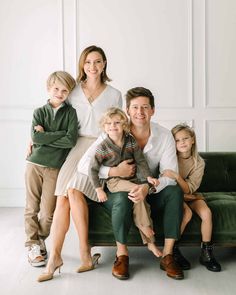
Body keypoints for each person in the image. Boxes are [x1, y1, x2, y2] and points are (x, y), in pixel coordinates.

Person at [76, 87, 185, 280]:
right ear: (127, 110)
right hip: (119, 188)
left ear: (153, 110)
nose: (139, 112)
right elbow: (84, 165)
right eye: (135, 107)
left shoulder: (164, 135)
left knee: (174, 191)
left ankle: (168, 255)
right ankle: (122, 255)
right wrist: (113, 171)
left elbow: (170, 175)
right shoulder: (113, 131)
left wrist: (148, 187)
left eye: (145, 107)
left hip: (149, 187)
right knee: (122, 199)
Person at [37, 45, 122, 282]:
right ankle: (55, 257)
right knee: (62, 197)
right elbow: (53, 112)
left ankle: (84, 254)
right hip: (75, 147)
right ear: (82, 65)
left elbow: (117, 127)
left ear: (104, 64)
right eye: (87, 62)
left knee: (72, 189)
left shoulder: (114, 94)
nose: (92, 67)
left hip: (100, 147)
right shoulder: (73, 90)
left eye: (97, 62)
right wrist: (34, 138)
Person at [88, 107, 162, 257]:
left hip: (131, 179)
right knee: (138, 190)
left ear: (124, 125)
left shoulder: (130, 141)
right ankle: (145, 228)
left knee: (140, 195)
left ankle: (150, 242)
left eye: (116, 122)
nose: (112, 126)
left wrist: (148, 177)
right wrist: (98, 189)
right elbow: (92, 169)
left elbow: (141, 160)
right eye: (108, 123)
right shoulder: (103, 147)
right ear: (104, 127)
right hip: (114, 182)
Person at [24, 71, 78, 267]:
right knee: (32, 207)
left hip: (55, 168)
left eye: (64, 90)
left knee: (48, 213)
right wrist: (59, 135)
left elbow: (71, 140)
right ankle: (32, 245)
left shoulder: (70, 113)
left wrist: (47, 135)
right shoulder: (39, 112)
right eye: (56, 88)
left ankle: (39, 240)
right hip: (34, 164)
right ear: (49, 88)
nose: (60, 93)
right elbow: (36, 139)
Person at [162, 123, 221, 272]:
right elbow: (167, 182)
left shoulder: (198, 162)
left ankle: (206, 253)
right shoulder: (169, 157)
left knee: (206, 213)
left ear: (192, 139)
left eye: (185, 138)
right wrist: (180, 186)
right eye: (177, 140)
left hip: (190, 195)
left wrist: (176, 176)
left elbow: (190, 188)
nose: (182, 143)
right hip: (174, 195)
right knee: (186, 214)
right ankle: (173, 249)